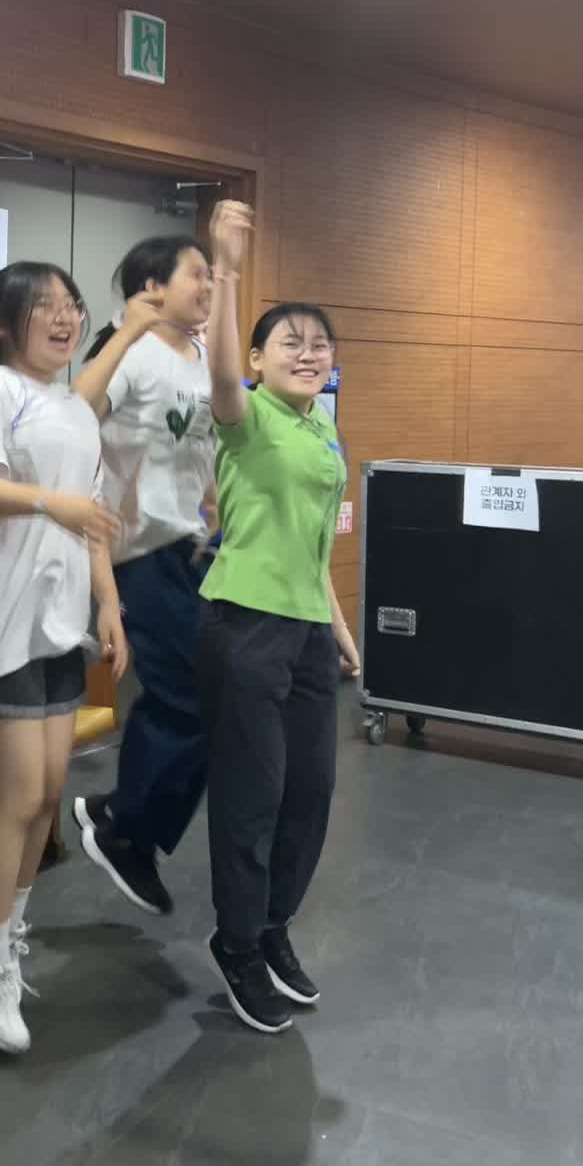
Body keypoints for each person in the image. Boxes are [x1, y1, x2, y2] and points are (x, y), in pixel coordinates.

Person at [0, 261, 130, 1054]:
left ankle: (0, 932)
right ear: (3, 321)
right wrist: (52, 502)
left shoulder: (72, 409)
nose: (64, 317)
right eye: (44, 307)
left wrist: (108, 603)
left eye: (71, 305)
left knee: (47, 796)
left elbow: (92, 520)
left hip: (56, 624)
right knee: (14, 796)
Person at [195, 201, 360, 1035]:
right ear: (258, 358)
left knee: (312, 792)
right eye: (289, 341)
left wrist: (338, 626)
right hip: (245, 624)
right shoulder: (247, 413)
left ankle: (271, 926)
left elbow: (313, 540)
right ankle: (236, 944)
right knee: (252, 797)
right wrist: (225, 269)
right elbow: (222, 377)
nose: (308, 352)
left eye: (319, 343)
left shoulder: (322, 423)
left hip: (303, 631)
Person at [69, 235, 217, 915]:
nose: (208, 286)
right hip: (138, 551)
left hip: (190, 548)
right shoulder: (133, 352)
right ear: (153, 286)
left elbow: (203, 452)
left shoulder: (202, 357)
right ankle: (126, 829)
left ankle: (120, 811)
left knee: (211, 701)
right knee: (186, 697)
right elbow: (74, 414)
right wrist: (127, 332)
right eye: (197, 274)